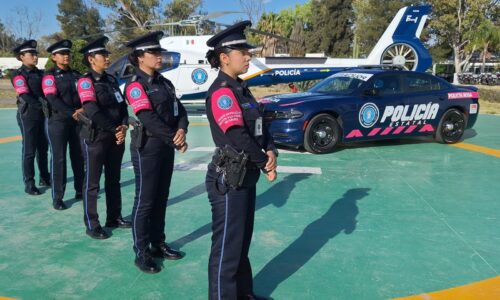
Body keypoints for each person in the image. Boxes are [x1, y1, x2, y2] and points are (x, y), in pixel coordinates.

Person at [205, 21, 278, 300]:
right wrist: (264, 161)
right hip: (229, 178)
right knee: (227, 249)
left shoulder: (241, 89)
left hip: (246, 175)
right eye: (243, 52)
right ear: (224, 57)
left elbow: (258, 126)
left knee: (241, 243)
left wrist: (270, 150)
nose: (249, 56)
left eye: (248, 52)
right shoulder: (222, 92)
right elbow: (236, 135)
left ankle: (244, 294)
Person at [124, 31, 189, 273]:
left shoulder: (165, 83)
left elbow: (179, 110)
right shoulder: (135, 86)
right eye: (153, 52)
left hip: (165, 146)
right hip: (148, 148)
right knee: (145, 201)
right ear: (140, 57)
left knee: (161, 197)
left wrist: (181, 129)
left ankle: (158, 243)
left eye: (159, 51)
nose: (159, 55)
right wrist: (174, 138)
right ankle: (140, 251)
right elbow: (147, 118)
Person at [77, 36, 132, 239]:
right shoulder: (85, 81)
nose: (107, 57)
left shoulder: (110, 79)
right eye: (103, 54)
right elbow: (91, 109)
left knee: (113, 179)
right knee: (92, 182)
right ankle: (92, 223)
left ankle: (114, 217)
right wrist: (113, 129)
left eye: (107, 54)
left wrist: (124, 125)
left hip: (115, 136)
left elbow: (122, 105)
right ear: (91, 59)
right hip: (96, 137)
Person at [42, 40, 84, 210]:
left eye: (68, 53)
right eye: (62, 53)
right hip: (58, 121)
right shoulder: (49, 77)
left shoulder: (77, 75)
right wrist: (72, 113)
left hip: (77, 121)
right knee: (59, 159)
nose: (66, 56)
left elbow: (85, 94)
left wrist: (82, 110)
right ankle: (58, 197)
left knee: (78, 156)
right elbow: (52, 99)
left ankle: (80, 190)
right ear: (54, 57)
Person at [11, 40, 50, 195]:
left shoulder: (41, 74)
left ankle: (45, 177)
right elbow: (25, 95)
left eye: (36, 54)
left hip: (43, 115)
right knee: (29, 150)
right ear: (22, 57)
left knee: (43, 148)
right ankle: (29, 182)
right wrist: (43, 106)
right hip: (28, 115)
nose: (35, 57)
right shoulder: (18, 75)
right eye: (31, 54)